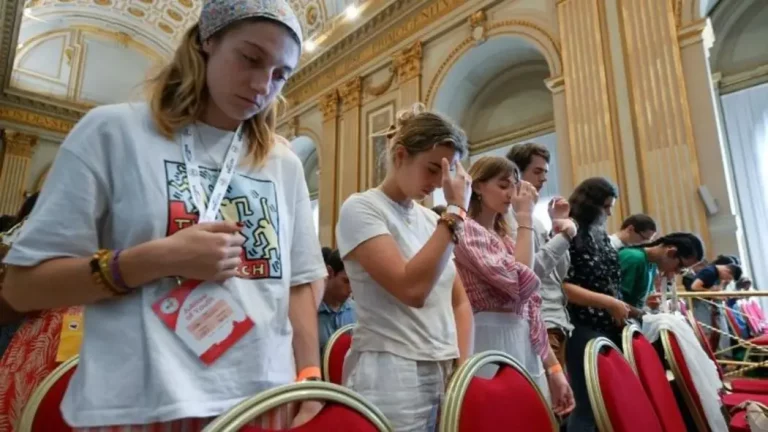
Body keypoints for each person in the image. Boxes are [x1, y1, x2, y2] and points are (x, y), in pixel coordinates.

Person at [1, 1, 327, 430]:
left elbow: (300, 281)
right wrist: (156, 259)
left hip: (260, 401)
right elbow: (23, 288)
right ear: (207, 41)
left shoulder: (282, 164)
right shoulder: (113, 133)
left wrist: (308, 376)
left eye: (280, 74)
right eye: (250, 58)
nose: (262, 85)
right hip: (141, 404)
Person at [336, 103, 473, 431]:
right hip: (392, 370)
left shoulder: (432, 220)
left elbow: (459, 300)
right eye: (432, 169)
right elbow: (411, 289)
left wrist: (463, 367)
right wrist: (455, 212)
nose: (440, 182)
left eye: (447, 171)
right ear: (400, 156)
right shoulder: (362, 208)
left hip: (443, 366)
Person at [453, 156, 574, 416]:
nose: (511, 193)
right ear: (477, 186)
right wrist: (525, 217)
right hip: (486, 338)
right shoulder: (465, 230)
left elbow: (530, 307)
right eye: (503, 185)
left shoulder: (507, 238)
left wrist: (554, 369)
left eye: (514, 186)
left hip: (523, 340)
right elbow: (519, 283)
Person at [561, 177, 628, 432]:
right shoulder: (569, 230)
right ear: (591, 205)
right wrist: (609, 303)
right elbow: (562, 286)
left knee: (609, 402)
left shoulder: (598, 233)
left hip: (606, 324)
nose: (610, 212)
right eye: (606, 206)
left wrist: (620, 307)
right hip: (582, 324)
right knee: (586, 405)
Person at [505, 142, 576, 367]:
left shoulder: (535, 220)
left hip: (557, 318)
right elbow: (531, 271)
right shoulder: (510, 216)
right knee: (552, 398)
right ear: (516, 173)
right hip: (540, 319)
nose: (544, 179)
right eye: (537, 172)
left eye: (545, 172)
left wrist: (557, 226)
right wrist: (565, 236)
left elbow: (559, 273)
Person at [618, 233, 704, 315]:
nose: (677, 272)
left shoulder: (651, 265)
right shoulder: (634, 259)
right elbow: (617, 302)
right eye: (680, 266)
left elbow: (635, 302)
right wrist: (642, 314)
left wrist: (649, 305)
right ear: (671, 252)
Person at [318, 249, 356, 355]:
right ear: (330, 273)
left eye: (354, 282)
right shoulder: (310, 312)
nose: (351, 289)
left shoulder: (357, 312)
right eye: (346, 281)